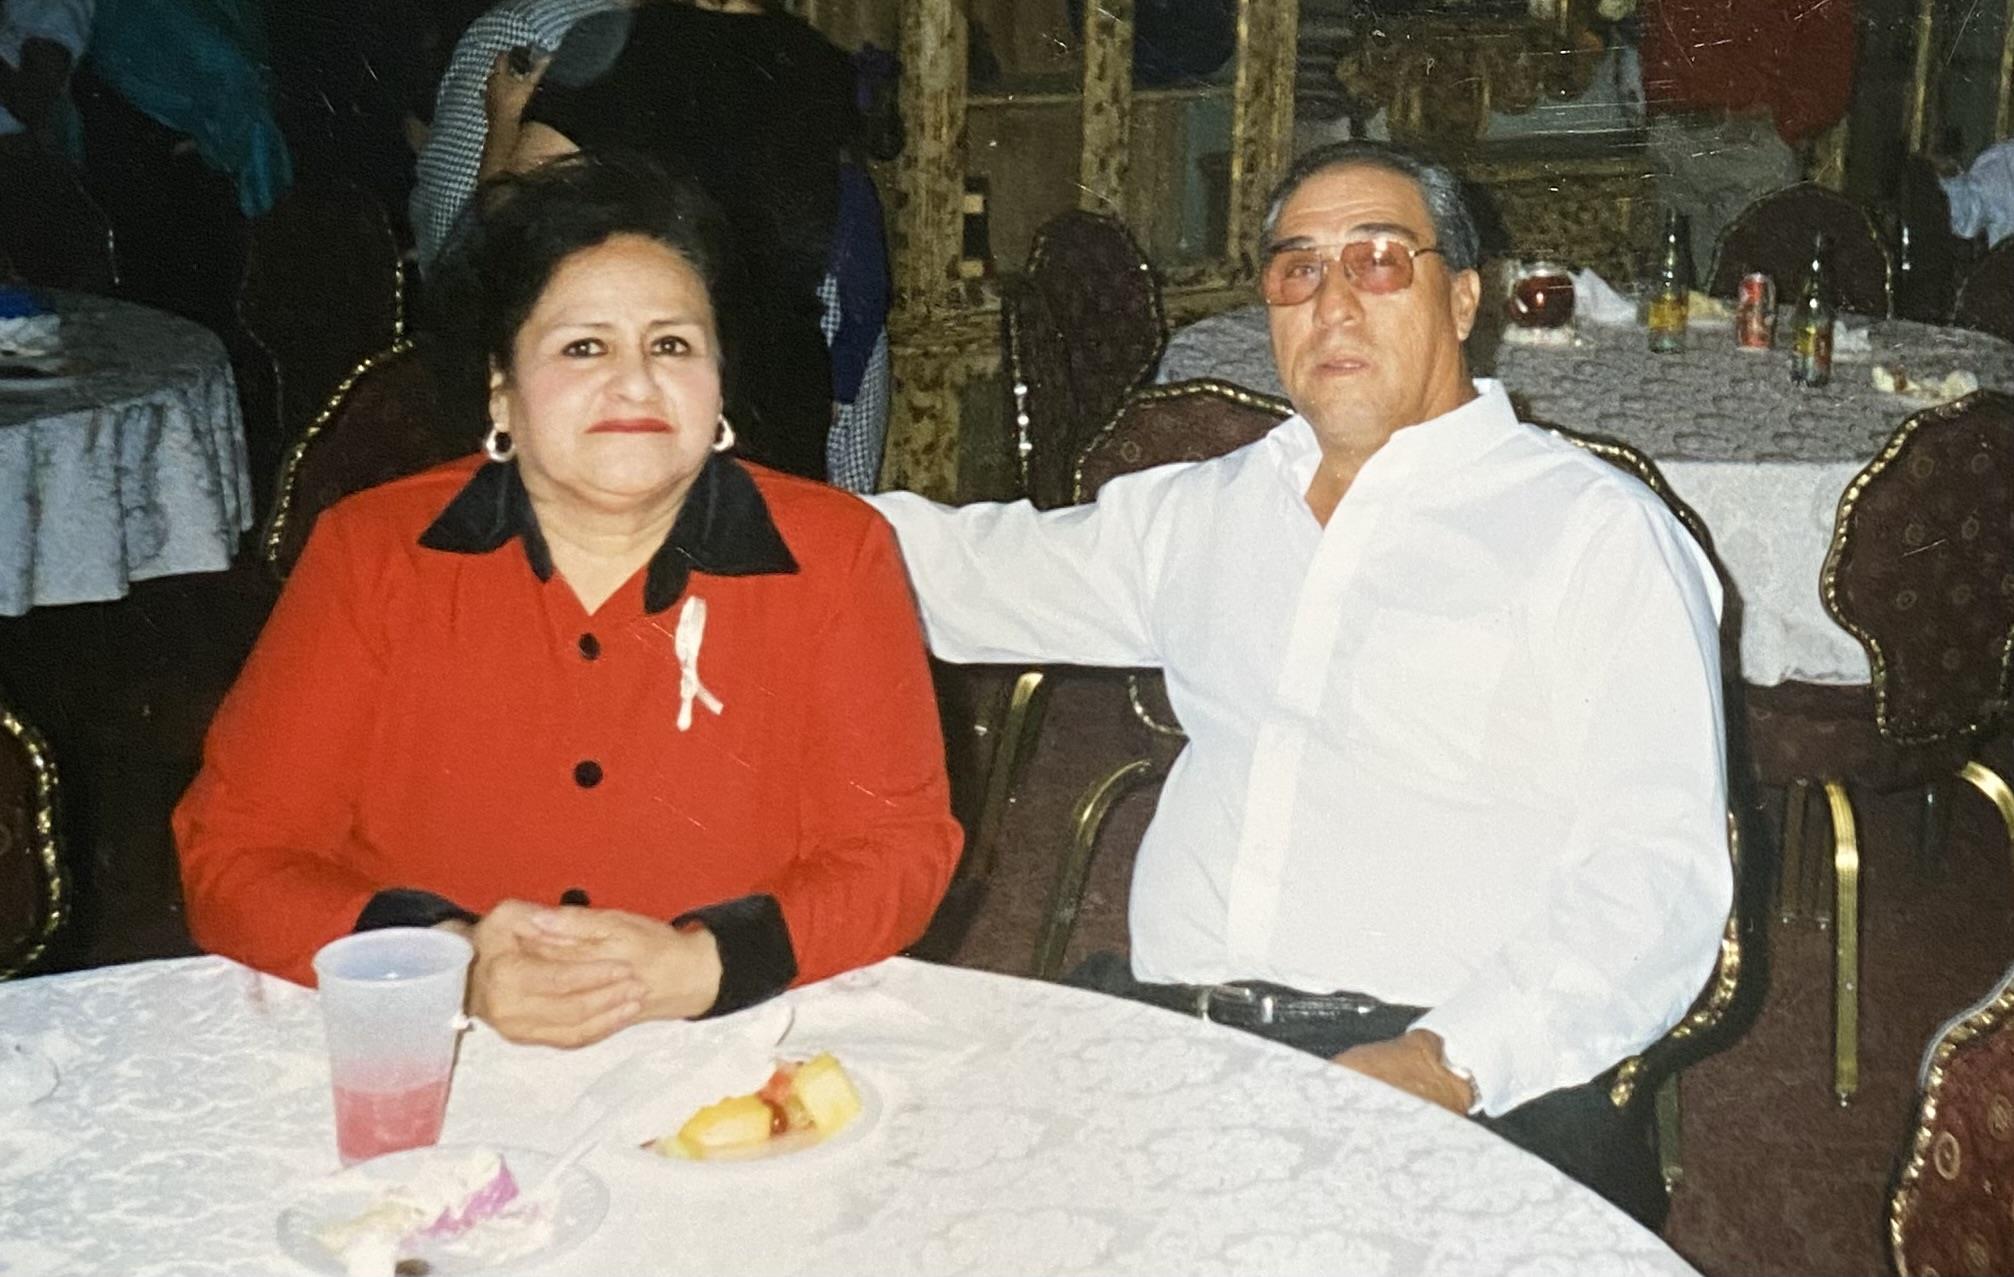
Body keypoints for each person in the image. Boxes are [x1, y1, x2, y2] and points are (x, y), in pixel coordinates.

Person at [867, 140, 1731, 1227]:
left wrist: (1444, 1061)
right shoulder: (1212, 506)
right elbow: (955, 570)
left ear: (1464, 298)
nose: (1332, 301)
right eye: (1298, 268)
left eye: (1378, 259)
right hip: (1169, 1034)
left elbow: (1654, 879)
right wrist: (707, 493)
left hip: (1447, 1066)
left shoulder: (1590, 533)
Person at [174, 153, 961, 1048]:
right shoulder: (373, 553)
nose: (636, 382)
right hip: (432, 1040)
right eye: (584, 346)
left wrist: (701, 963)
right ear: (501, 390)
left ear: (720, 384)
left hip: (733, 1041)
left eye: (673, 345)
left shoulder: (837, 555)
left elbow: (902, 848)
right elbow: (230, 853)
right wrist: (452, 962)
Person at [500, 0, 884, 486]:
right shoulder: (819, 61)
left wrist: (505, 114)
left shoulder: (614, 37)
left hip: (649, 366)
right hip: (778, 380)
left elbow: (513, 221)